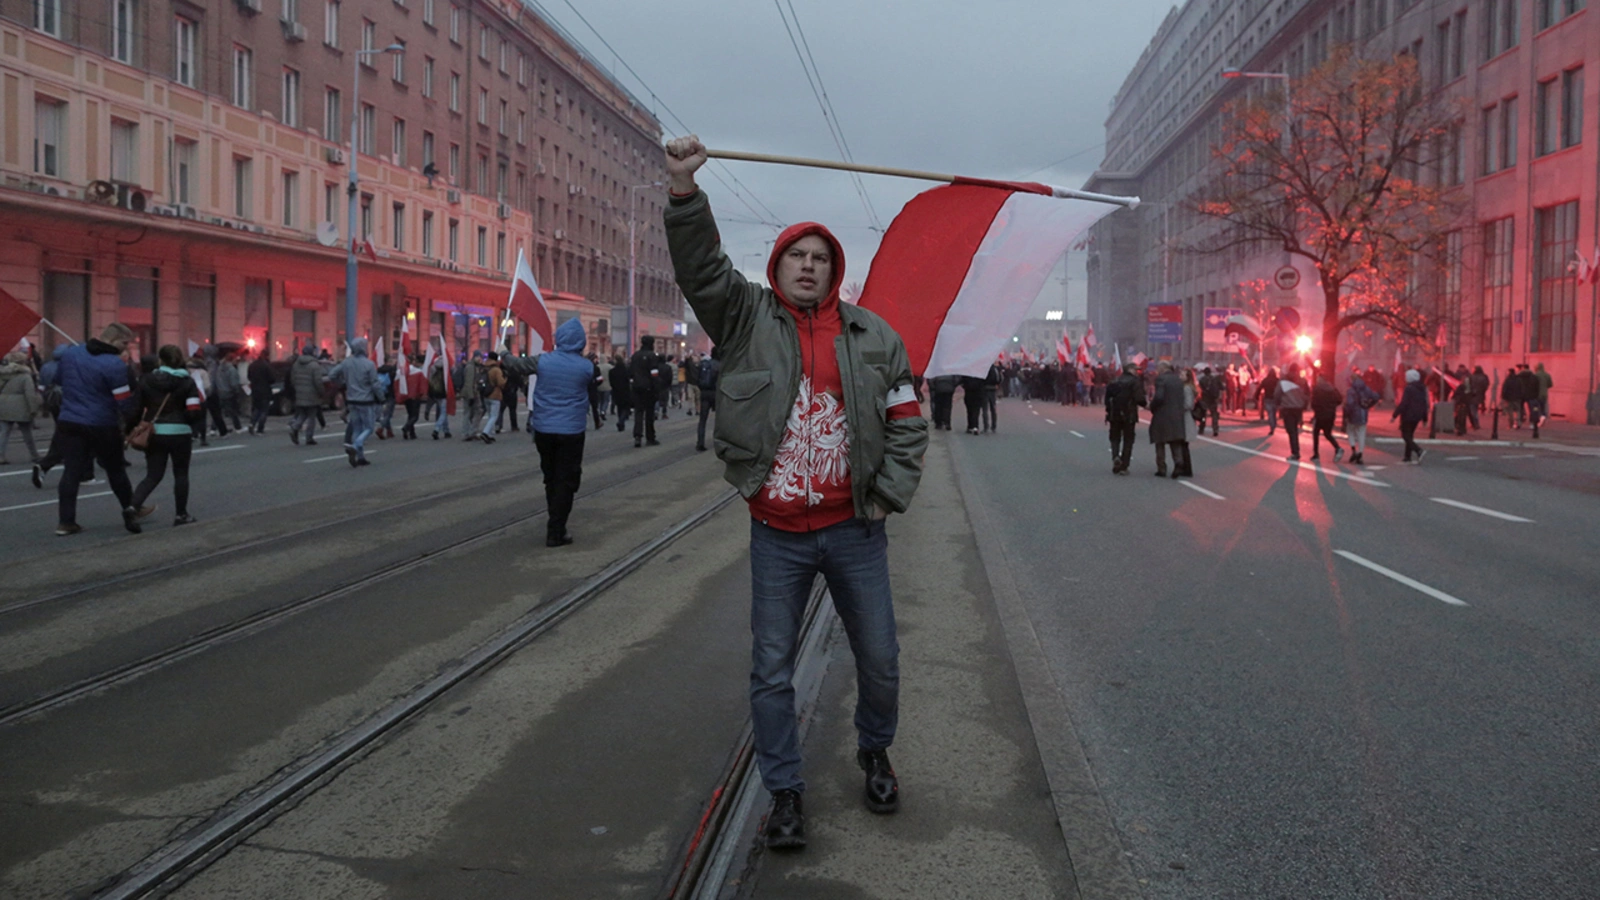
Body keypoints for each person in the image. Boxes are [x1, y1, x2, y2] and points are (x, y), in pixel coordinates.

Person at [664, 134, 928, 850]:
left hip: (855, 530)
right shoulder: (746, 319)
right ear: (777, 267)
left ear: (835, 270)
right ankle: (784, 791)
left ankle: (875, 748)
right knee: (771, 670)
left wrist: (887, 496)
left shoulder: (876, 337)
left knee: (880, 659)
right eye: (796, 257)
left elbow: (908, 423)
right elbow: (701, 269)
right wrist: (685, 194)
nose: (808, 268)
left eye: (820, 259)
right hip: (777, 533)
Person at [502, 319, 595, 546]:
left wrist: (503, 353)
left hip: (544, 428)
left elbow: (516, 365)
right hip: (572, 430)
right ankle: (556, 527)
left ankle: (554, 517)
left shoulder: (543, 362)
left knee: (550, 476)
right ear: (581, 342)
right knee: (568, 478)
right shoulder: (586, 367)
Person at [52, 322, 139, 536]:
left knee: (71, 471)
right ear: (113, 339)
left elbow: (59, 380)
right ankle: (130, 508)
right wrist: (131, 422)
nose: (126, 348)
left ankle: (66, 521)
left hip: (70, 420)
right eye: (125, 343)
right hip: (102, 422)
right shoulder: (114, 364)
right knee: (115, 469)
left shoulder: (72, 353)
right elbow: (123, 400)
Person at [127, 344, 204, 526]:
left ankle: (132, 507)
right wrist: (186, 422)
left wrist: (129, 429)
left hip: (155, 432)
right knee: (181, 474)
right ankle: (181, 515)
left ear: (160, 360)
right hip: (180, 433)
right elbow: (194, 411)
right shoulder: (187, 381)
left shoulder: (146, 380)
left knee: (153, 475)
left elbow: (136, 409)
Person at [329, 337, 381, 466]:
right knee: (369, 427)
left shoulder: (347, 363)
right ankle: (357, 445)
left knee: (357, 427)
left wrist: (343, 383)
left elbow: (332, 375)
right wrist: (381, 397)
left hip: (351, 399)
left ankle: (360, 457)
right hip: (366, 399)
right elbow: (375, 384)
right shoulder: (369, 364)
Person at [0, 351, 43, 466]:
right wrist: (33, 409)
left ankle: (1, 456)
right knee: (27, 433)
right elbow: (29, 394)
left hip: (3, 404)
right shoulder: (25, 375)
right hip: (21, 406)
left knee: (4, 432)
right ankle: (34, 455)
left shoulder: (2, 373)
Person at [1104, 361, 1146, 475]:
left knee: (1115, 437)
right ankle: (1124, 465)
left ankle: (1115, 456)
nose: (1137, 372)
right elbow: (1140, 398)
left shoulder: (1114, 381)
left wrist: (1108, 412)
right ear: (1130, 370)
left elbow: (1107, 399)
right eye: (1136, 370)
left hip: (1114, 414)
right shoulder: (1135, 382)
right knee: (1128, 439)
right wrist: (1146, 405)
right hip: (1129, 414)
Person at [1148, 360, 1188, 478]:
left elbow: (1159, 397)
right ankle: (1178, 461)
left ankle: (1162, 468)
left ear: (1162, 368)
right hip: (1177, 414)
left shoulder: (1161, 379)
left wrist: (1152, 406)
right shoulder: (1178, 380)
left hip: (1163, 414)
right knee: (1175, 441)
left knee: (1159, 441)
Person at [628, 336, 664, 447]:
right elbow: (654, 374)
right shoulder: (652, 356)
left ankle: (637, 436)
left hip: (636, 388)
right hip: (649, 388)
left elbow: (630, 373)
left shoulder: (635, 356)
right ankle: (650, 437)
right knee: (649, 413)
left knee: (638, 412)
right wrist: (657, 387)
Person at [287, 342, 325, 445]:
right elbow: (318, 382)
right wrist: (321, 392)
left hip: (300, 393)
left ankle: (295, 428)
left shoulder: (296, 364)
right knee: (311, 416)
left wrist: (297, 389)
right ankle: (309, 437)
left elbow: (293, 379)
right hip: (312, 394)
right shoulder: (314, 365)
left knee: (303, 413)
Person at [1343, 368, 1379, 465]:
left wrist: (1346, 415)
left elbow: (1349, 404)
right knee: (1361, 434)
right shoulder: (1366, 388)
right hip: (1363, 414)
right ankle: (1360, 454)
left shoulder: (1351, 391)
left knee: (1350, 432)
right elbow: (1376, 397)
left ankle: (1353, 449)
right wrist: (1369, 405)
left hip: (1353, 415)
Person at [1392, 368, 1429, 463]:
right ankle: (1407, 456)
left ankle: (1418, 450)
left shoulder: (1409, 388)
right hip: (1417, 416)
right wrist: (1425, 418)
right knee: (1410, 435)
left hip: (1408, 415)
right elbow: (1424, 403)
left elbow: (1404, 403)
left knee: (1405, 436)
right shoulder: (1422, 388)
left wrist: (1395, 415)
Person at [1275, 363, 1308, 460]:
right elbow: (1307, 394)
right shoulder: (1302, 381)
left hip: (1288, 408)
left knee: (1291, 430)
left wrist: (1278, 404)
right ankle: (1296, 451)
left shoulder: (1283, 380)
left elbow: (1277, 394)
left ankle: (1295, 452)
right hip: (1298, 408)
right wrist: (1304, 405)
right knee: (1295, 430)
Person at [1309, 370, 1343, 462]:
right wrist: (1332, 406)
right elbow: (1339, 399)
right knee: (1327, 433)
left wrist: (1317, 409)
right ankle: (1337, 448)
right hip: (1331, 413)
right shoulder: (1332, 388)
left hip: (1320, 414)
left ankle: (1316, 453)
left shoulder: (1317, 389)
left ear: (1320, 379)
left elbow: (1313, 403)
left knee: (1316, 433)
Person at [696, 346, 721, 452]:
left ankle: (700, 442)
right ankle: (719, 442)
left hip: (704, 392)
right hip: (716, 393)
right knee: (720, 420)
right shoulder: (720, 365)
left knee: (702, 420)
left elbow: (697, 378)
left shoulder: (704, 364)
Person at [214, 349, 244, 434]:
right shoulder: (232, 370)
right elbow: (234, 383)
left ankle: (213, 428)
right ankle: (238, 427)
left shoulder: (219, 368)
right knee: (233, 411)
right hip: (229, 392)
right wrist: (237, 391)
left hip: (220, 391)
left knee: (218, 411)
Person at [247, 349, 274, 434]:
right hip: (265, 390)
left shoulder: (252, 365)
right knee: (264, 410)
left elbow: (249, 377)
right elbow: (272, 378)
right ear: (267, 356)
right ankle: (260, 428)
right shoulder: (267, 365)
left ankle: (252, 423)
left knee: (256, 408)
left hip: (255, 390)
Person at [609, 352, 632, 433]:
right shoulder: (626, 369)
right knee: (626, 407)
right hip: (625, 390)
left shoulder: (612, 371)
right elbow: (629, 380)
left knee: (619, 407)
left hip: (616, 391)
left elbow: (611, 382)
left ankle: (620, 421)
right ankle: (621, 421)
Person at [1198, 364, 1223, 436]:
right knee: (1214, 414)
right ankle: (1215, 429)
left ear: (1204, 372)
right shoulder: (1216, 378)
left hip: (1205, 399)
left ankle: (1201, 428)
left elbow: (1200, 389)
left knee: (1203, 415)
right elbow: (1222, 387)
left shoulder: (1202, 380)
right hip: (1213, 399)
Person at [1258, 366, 1281, 435]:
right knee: (1274, 412)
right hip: (1275, 398)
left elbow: (1260, 387)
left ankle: (1272, 426)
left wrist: (1256, 395)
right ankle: (1274, 423)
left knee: (1270, 413)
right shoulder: (1277, 380)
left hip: (1268, 398)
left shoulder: (1266, 380)